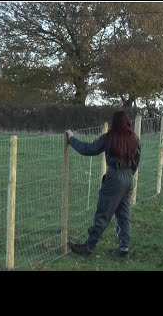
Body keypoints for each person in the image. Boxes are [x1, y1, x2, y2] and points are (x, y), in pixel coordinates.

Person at [66, 110, 141, 258]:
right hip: (128, 177)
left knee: (103, 213)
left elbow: (89, 149)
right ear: (127, 122)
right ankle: (124, 248)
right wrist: (129, 173)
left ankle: (88, 247)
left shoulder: (109, 138)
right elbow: (137, 158)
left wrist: (72, 139)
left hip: (115, 177)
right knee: (124, 214)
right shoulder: (134, 138)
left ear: (114, 123)